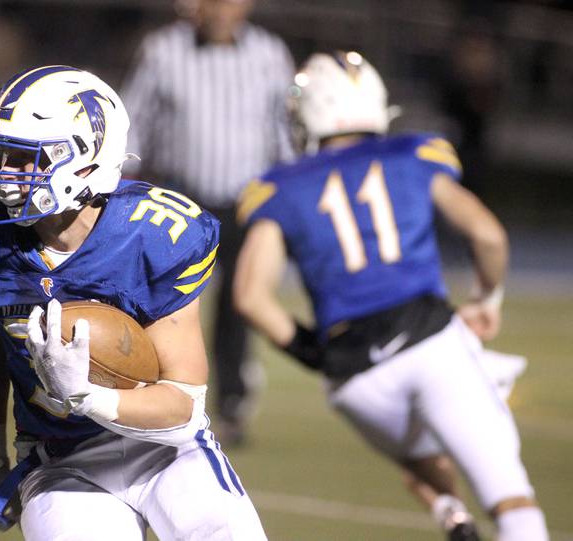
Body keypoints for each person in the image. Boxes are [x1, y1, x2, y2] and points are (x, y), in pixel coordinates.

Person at [0, 65, 267, 540]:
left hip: (165, 451)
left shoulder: (154, 235)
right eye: (3, 153)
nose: (4, 173)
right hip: (62, 460)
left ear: (85, 161)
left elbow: (181, 410)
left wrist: (89, 396)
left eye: (28, 159)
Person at [232, 51, 549, 541]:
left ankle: (451, 513)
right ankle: (472, 513)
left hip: (356, 379)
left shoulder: (280, 187)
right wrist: (487, 299)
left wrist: (317, 353)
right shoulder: (413, 155)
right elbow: (488, 236)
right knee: (511, 501)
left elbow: (251, 297)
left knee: (423, 460)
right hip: (429, 343)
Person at [121, 0, 295, 445]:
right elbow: (133, 120)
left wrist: (290, 190)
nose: (219, 9)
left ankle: (232, 407)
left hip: (249, 201)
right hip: (182, 198)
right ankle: (150, 399)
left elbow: (283, 129)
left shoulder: (270, 53)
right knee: (162, 303)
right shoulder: (163, 50)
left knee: (240, 308)